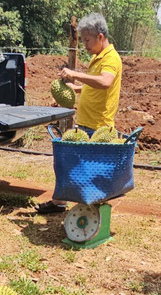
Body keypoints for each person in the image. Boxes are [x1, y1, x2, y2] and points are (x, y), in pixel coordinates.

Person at [36, 13, 122, 214]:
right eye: (83, 40)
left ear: (100, 37)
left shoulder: (110, 58)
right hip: (87, 123)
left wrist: (74, 73)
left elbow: (105, 82)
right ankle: (60, 202)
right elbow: (96, 85)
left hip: (97, 126)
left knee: (82, 168)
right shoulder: (98, 58)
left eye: (87, 40)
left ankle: (86, 210)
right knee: (69, 163)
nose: (85, 44)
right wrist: (75, 88)